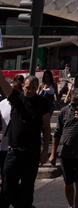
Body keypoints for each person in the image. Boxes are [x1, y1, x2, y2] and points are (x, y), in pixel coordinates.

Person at [0, 74, 51, 208]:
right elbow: (3, 82)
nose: (30, 91)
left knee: (27, 190)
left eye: (33, 88)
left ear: (37, 88)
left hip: (31, 154)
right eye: (28, 88)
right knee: (6, 189)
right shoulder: (16, 98)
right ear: (23, 87)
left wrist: (45, 151)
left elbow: (46, 128)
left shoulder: (42, 102)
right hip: (13, 153)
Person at [0, 77, 23, 182]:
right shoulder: (2, 104)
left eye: (15, 89)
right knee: (4, 179)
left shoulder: (23, 104)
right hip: (4, 148)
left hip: (18, 149)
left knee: (14, 181)